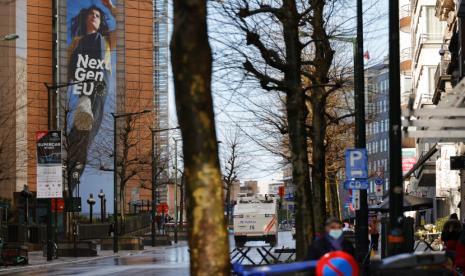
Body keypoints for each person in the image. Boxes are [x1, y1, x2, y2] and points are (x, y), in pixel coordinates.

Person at [67, 0, 116, 192]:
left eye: (98, 15)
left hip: (99, 88)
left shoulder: (107, 40)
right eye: (91, 14)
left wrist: (111, 8)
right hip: (81, 88)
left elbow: (124, 25)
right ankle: (70, 182)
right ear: (85, 18)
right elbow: (66, 70)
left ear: (101, 20)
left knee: (86, 133)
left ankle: (85, 103)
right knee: (79, 139)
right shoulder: (76, 43)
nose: (94, 17)